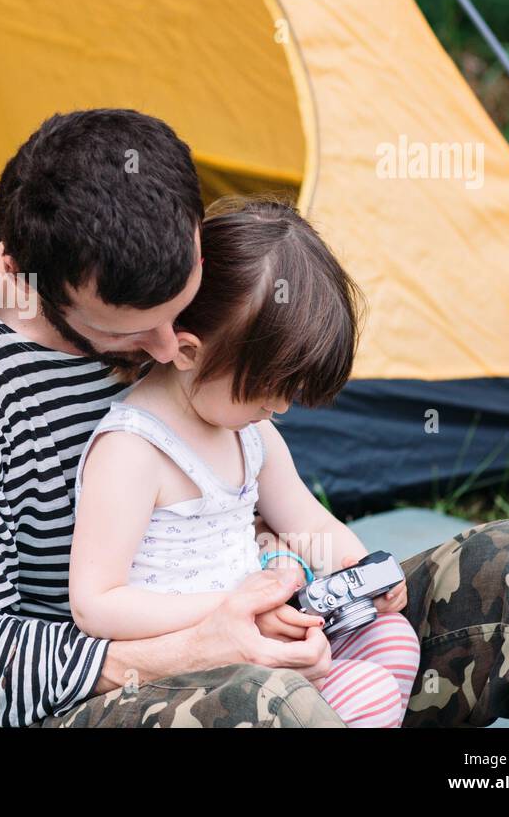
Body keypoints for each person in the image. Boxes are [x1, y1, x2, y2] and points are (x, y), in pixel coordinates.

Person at [0, 107, 509, 728]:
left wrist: (324, 578)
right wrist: (197, 643)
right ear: (31, 279)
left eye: (183, 308)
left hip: (263, 619)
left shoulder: (151, 254)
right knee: (270, 705)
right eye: (133, 333)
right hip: (83, 700)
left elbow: (250, 481)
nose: (171, 349)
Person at [68, 199, 419, 727]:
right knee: (365, 693)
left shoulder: (251, 432)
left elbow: (306, 520)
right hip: (182, 670)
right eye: (265, 389)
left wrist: (361, 568)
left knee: (393, 637)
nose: (278, 408)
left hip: (258, 634)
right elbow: (96, 605)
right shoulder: (133, 451)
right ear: (187, 353)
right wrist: (228, 607)